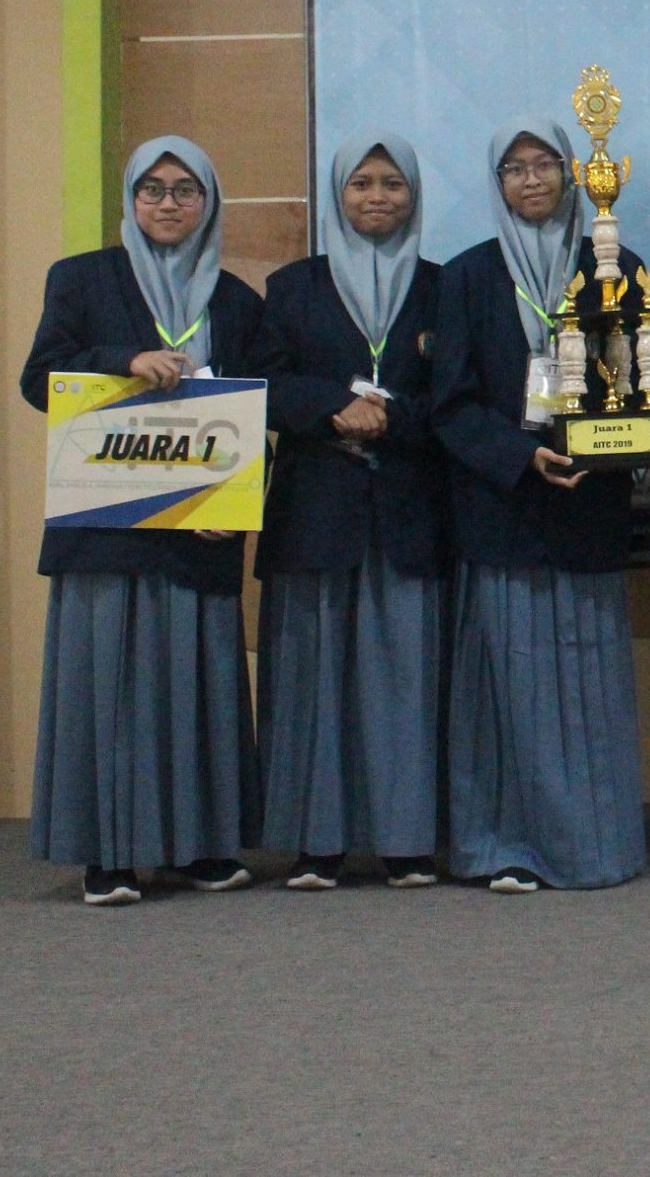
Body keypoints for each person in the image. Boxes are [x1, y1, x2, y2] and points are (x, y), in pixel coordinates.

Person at [18, 136, 264, 906]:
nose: (167, 202)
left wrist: (242, 507)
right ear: (130, 199)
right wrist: (125, 357)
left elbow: (259, 412)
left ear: (208, 203)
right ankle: (110, 856)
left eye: (185, 189)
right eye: (152, 188)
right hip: (107, 531)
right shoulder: (84, 280)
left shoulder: (235, 302)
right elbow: (39, 379)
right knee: (110, 694)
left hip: (200, 529)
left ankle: (197, 847)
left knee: (196, 692)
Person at [433, 120, 650, 891]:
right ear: (496, 180)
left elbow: (643, 384)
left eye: (545, 164)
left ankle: (592, 846)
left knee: (588, 683)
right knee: (506, 689)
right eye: (515, 166)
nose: (532, 179)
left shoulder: (616, 267)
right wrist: (520, 454)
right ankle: (502, 844)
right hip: (504, 511)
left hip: (589, 510)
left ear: (573, 174)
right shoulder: (468, 277)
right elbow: (451, 405)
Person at [253, 132, 446, 891]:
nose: (376, 196)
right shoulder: (291, 286)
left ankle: (406, 843)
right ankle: (316, 844)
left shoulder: (443, 285)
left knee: (406, 676)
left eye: (392, 182)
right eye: (361, 182)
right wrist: (334, 404)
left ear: (413, 194)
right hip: (315, 511)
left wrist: (391, 418)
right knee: (314, 678)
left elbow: (460, 393)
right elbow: (262, 383)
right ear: (338, 195)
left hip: (408, 507)